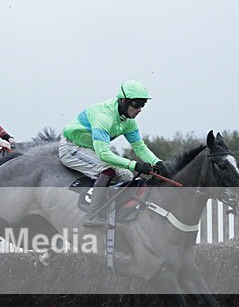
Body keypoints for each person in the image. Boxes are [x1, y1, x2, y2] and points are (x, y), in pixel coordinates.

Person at [59, 79, 166, 227]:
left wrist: (157, 162)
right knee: (108, 170)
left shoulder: (128, 122)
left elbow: (139, 147)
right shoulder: (104, 117)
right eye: (136, 104)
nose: (140, 109)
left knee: (127, 176)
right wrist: (134, 165)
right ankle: (92, 216)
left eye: (143, 104)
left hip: (91, 149)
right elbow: (103, 154)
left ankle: (114, 214)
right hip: (71, 147)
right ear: (123, 101)